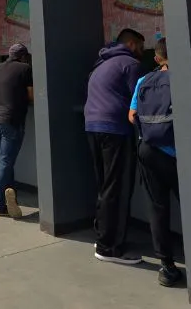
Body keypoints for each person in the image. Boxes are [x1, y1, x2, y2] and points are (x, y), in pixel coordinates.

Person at [84, 28, 145, 264]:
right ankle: (109, 247)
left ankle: (103, 235)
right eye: (141, 46)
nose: (143, 51)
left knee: (105, 186)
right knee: (117, 187)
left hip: (92, 127)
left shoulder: (101, 64)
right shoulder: (130, 64)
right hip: (115, 130)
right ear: (131, 44)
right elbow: (140, 100)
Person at [129, 38, 182, 287]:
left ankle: (167, 267)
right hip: (177, 154)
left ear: (158, 57)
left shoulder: (144, 80)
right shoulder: (183, 78)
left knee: (157, 208)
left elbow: (132, 116)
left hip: (148, 151)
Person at [0, 43, 34, 218]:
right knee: (5, 162)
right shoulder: (25, 68)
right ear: (23, 57)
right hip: (10, 121)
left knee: (4, 162)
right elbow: (31, 96)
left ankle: (9, 198)